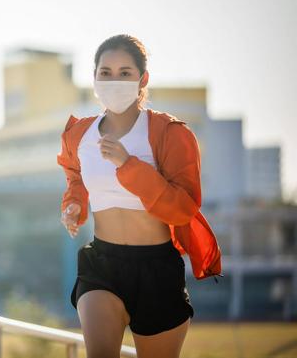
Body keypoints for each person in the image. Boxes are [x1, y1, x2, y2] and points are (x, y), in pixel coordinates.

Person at [56, 34, 222, 358]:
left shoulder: (170, 133)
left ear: (142, 78)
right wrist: (74, 205)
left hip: (157, 269)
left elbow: (182, 209)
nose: (114, 80)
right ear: (94, 78)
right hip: (101, 264)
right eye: (105, 73)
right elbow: (75, 176)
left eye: (124, 73)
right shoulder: (79, 135)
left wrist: (127, 164)